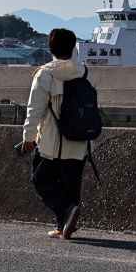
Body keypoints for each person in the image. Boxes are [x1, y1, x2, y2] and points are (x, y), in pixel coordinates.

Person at [20, 28, 95, 239]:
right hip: (81, 139)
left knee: (40, 179)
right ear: (73, 47)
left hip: (53, 143)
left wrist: (28, 137)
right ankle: (64, 225)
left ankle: (67, 211)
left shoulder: (45, 74)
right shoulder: (86, 73)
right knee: (71, 184)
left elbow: (35, 110)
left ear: (49, 47)